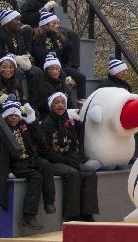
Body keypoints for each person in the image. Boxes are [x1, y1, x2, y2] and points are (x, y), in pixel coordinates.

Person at [0, 99, 53, 231]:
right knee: (36, 177)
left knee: (46, 165)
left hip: (31, 159)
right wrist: (4, 171)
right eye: (10, 115)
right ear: (5, 116)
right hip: (16, 164)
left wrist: (32, 121)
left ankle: (49, 201)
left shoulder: (24, 125)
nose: (13, 118)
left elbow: (40, 140)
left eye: (16, 115)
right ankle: (28, 216)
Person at [37, 92, 99, 221]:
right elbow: (45, 150)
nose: (60, 105)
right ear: (51, 106)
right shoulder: (46, 124)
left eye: (62, 102)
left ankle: (87, 213)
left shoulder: (69, 122)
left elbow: (73, 146)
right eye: (57, 103)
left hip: (68, 160)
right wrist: (65, 160)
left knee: (89, 173)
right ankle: (71, 215)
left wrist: (73, 159)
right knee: (73, 174)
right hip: (52, 162)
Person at [21, 0, 82, 67]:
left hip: (50, 26)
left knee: (73, 35)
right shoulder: (29, 3)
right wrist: (42, 11)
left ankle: (73, 64)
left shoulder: (47, 2)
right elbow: (25, 19)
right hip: (36, 26)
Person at [32, 10, 86, 99]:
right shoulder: (38, 36)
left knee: (81, 78)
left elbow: (65, 59)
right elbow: (40, 55)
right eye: (53, 23)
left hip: (62, 66)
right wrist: (60, 51)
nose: (57, 26)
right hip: (46, 66)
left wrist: (67, 50)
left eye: (57, 23)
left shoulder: (59, 36)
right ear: (46, 24)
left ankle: (81, 102)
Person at [0, 9, 36, 76]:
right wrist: (13, 57)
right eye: (17, 20)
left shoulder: (18, 35)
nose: (19, 23)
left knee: (37, 72)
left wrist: (28, 57)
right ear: (7, 21)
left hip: (15, 62)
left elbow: (23, 50)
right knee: (16, 71)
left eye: (19, 20)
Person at [35, 52, 78, 117]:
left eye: (57, 69)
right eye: (52, 69)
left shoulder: (64, 87)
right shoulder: (43, 87)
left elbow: (70, 104)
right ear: (47, 71)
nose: (55, 71)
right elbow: (40, 106)